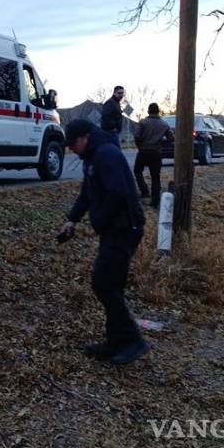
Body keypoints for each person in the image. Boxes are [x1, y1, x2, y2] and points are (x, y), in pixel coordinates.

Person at [58, 119, 149, 366]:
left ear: (85, 137)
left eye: (73, 144)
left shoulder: (107, 154)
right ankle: (116, 342)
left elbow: (118, 192)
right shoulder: (92, 157)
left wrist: (98, 219)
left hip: (125, 228)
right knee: (111, 285)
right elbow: (88, 192)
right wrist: (72, 220)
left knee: (103, 283)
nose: (71, 150)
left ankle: (133, 340)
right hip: (114, 229)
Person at [133, 103, 173, 209]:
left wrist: (139, 146)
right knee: (155, 177)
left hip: (143, 151)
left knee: (137, 170)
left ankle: (144, 191)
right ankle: (155, 201)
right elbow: (171, 138)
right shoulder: (164, 125)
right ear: (158, 111)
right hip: (156, 153)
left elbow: (136, 136)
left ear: (148, 111)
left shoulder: (142, 123)